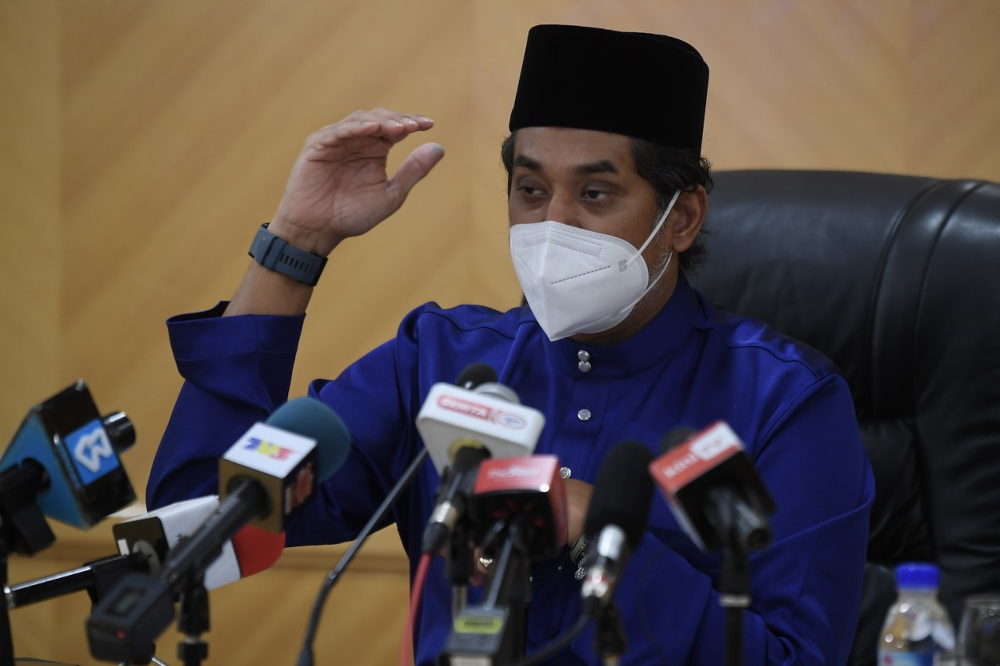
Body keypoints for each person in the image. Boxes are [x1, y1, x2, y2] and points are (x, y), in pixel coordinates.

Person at [148, 24, 874, 664]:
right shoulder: (439, 363)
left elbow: (796, 657)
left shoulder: (783, 403)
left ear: (681, 219)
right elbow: (196, 519)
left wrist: (596, 537)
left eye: (594, 194)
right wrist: (297, 244)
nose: (553, 224)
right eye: (530, 190)